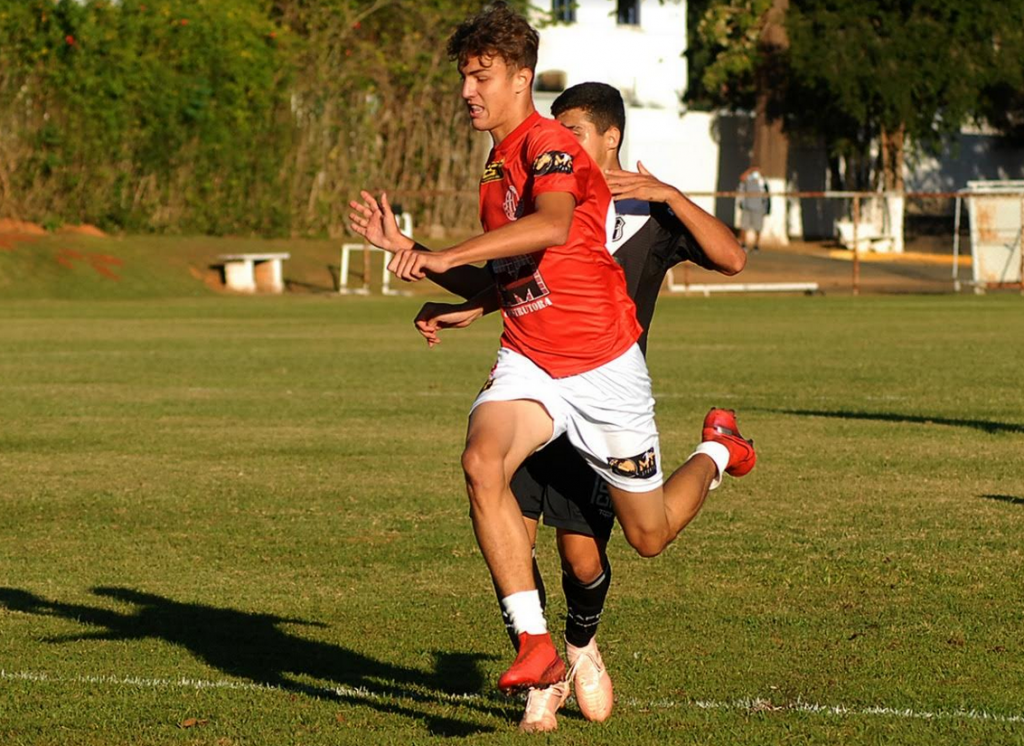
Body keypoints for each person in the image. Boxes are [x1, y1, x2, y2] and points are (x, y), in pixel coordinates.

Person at [349, 1, 757, 727]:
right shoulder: (493, 169)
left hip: (604, 370)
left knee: (649, 535)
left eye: (480, 77)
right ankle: (535, 644)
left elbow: (555, 223)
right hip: (532, 361)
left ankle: (717, 451)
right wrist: (429, 267)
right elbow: (518, 271)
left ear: (520, 79)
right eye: (464, 78)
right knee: (481, 462)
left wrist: (446, 254)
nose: (467, 91)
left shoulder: (550, 146)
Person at [737, 166, 770, 251]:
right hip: (747, 206)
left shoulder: (762, 180)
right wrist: (751, 170)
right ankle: (743, 244)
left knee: (758, 227)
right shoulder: (748, 178)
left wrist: (760, 171)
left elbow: (765, 181)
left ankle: (756, 245)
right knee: (744, 226)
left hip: (758, 208)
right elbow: (742, 178)